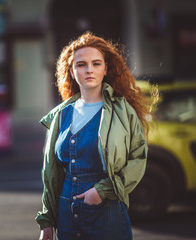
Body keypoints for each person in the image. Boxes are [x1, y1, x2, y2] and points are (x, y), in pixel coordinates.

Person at [36, 32, 157, 240]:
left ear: (105, 69)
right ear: (72, 71)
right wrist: (47, 221)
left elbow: (138, 158)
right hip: (66, 218)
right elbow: (51, 173)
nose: (89, 69)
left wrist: (102, 191)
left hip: (107, 213)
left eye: (96, 63)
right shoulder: (61, 114)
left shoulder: (122, 111)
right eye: (81, 64)